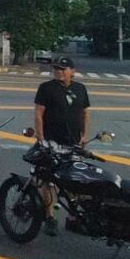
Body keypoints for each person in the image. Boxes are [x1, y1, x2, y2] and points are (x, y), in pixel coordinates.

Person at [33, 57, 92, 236]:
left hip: (72, 143)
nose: (59, 71)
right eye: (57, 68)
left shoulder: (80, 89)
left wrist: (84, 136)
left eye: (63, 69)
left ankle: (74, 218)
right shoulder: (46, 88)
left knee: (74, 182)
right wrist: (41, 138)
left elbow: (85, 113)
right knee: (48, 180)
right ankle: (50, 216)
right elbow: (38, 113)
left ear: (72, 71)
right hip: (51, 142)